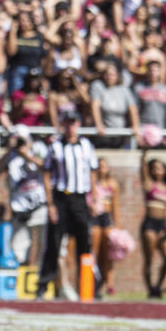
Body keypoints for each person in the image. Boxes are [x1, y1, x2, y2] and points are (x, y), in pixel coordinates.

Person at [36, 114, 98, 300]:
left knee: (85, 244)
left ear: (78, 124)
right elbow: (47, 175)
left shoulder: (86, 145)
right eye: (67, 123)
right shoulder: (55, 146)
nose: (71, 127)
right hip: (61, 198)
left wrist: (93, 199)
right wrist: (50, 204)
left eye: (74, 123)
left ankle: (87, 286)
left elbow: (92, 174)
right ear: (63, 125)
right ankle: (43, 286)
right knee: (54, 243)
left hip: (80, 199)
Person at [0, 125, 47, 265]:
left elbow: (46, 167)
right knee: (19, 247)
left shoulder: (38, 148)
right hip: (19, 206)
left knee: (43, 245)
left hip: (39, 203)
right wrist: (10, 151)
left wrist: (26, 154)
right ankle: (22, 276)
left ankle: (39, 277)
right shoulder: (11, 155)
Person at [139, 148, 166, 298]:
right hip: (150, 225)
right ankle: (150, 289)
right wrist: (144, 154)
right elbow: (143, 171)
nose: (158, 171)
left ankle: (158, 285)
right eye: (155, 169)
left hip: (163, 226)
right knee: (149, 259)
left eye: (160, 168)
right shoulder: (149, 185)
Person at [91, 158, 120, 296]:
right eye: (100, 165)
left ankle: (109, 283)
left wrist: (117, 226)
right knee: (94, 252)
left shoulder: (112, 184)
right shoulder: (92, 183)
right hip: (95, 218)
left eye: (104, 166)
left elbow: (115, 207)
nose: (102, 168)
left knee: (107, 253)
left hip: (106, 218)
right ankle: (92, 280)